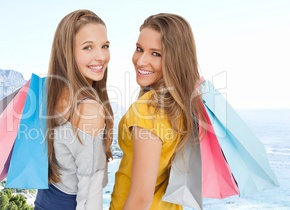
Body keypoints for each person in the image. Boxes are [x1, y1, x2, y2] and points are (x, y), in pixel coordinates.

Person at [109, 13, 204, 210]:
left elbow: (140, 199)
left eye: (156, 54)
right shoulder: (183, 106)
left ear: (175, 59)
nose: (141, 61)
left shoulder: (146, 110)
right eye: (139, 49)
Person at [34, 9, 114, 210]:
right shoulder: (89, 109)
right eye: (88, 47)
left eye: (104, 46)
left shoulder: (45, 93)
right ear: (67, 53)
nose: (101, 56)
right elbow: (89, 199)